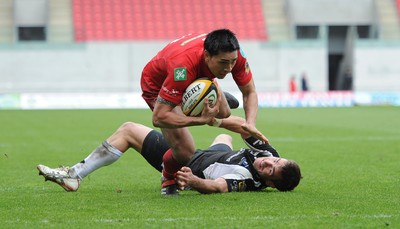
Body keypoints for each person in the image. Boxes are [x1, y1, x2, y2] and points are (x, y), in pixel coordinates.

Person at [140, 28, 266, 194]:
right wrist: (201, 120)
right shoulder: (182, 67)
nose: (229, 68)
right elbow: (159, 118)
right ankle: (168, 178)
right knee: (185, 151)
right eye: (223, 63)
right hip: (159, 84)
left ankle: (206, 93)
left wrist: (250, 123)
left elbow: (249, 92)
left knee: (224, 113)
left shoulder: (236, 55)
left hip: (195, 75)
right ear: (207, 56)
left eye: (232, 62)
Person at [37, 116, 301, 194]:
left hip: (192, 161)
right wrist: (221, 117)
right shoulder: (268, 153)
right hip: (217, 155)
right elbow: (245, 127)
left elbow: (218, 186)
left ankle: (74, 175)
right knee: (225, 138)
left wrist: (194, 182)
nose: (268, 162)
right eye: (275, 160)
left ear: (268, 183)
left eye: (270, 170)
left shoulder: (245, 179)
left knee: (129, 130)